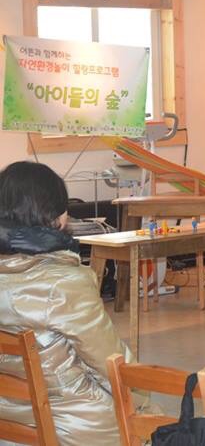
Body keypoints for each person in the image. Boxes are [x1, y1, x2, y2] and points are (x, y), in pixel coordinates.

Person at [0, 161, 135, 445]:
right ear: (56, 216)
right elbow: (111, 364)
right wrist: (143, 405)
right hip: (74, 427)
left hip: (10, 425)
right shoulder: (64, 283)